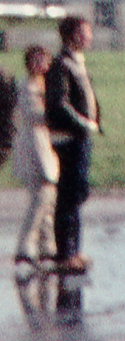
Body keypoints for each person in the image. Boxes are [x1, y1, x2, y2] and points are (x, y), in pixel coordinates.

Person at [45, 18, 98, 275]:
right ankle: (65, 254)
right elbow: (59, 103)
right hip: (69, 139)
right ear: (72, 35)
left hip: (80, 137)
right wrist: (84, 124)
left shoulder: (77, 61)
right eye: (85, 32)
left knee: (77, 194)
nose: (89, 36)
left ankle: (74, 251)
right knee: (68, 196)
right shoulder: (61, 64)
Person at [12, 46, 58, 273]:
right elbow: (35, 115)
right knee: (42, 195)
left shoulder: (44, 86)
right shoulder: (27, 86)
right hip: (33, 144)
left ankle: (47, 247)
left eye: (46, 61)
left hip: (43, 142)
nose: (43, 65)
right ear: (29, 63)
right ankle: (25, 247)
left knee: (46, 199)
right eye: (38, 61)